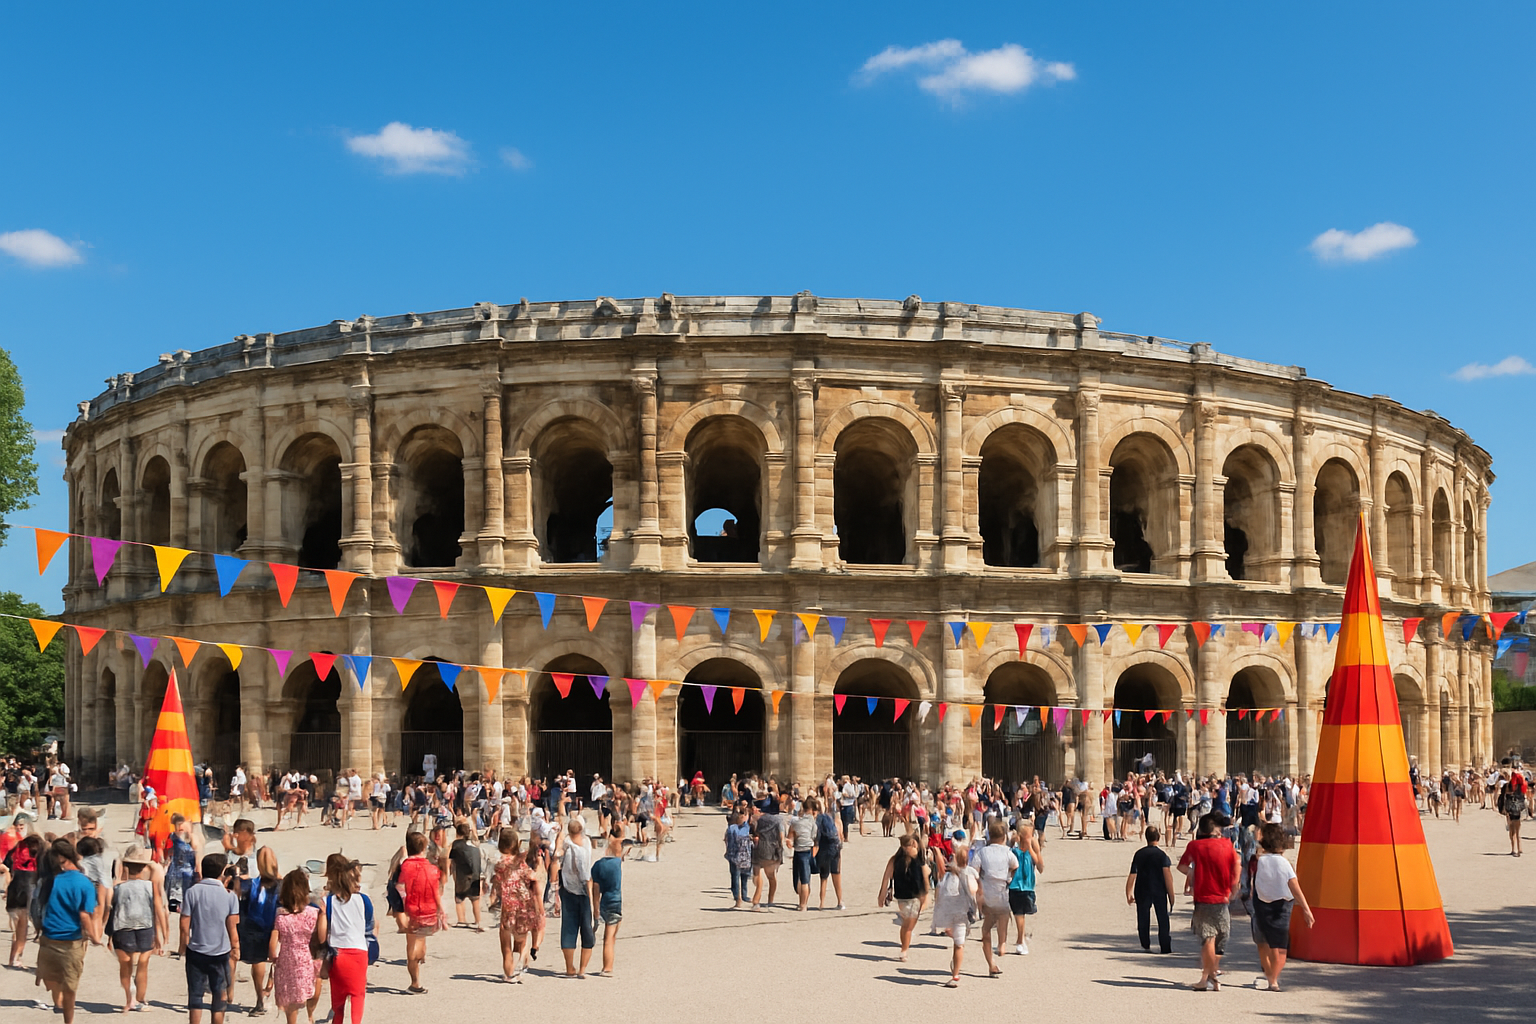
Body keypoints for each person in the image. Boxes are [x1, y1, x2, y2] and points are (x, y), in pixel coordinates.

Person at [36, 839, 104, 1023]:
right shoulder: (85, 883)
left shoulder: (49, 881)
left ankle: (57, 1003)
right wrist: (95, 937)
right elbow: (84, 915)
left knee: (52, 981)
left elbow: (36, 908)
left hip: (48, 938)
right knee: (70, 989)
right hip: (71, 941)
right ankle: (68, 1020)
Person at [1178, 813, 1240, 991]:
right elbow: (1236, 865)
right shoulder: (1227, 845)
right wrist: (1234, 887)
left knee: (1208, 938)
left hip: (1203, 897)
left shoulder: (1195, 846)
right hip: (1222, 897)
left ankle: (1209, 976)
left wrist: (1192, 874)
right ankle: (1210, 976)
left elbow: (1182, 866)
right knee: (1220, 938)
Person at [1249, 823, 1313, 991]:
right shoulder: (1284, 863)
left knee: (1263, 944)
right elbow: (1294, 886)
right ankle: (1273, 979)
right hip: (1282, 907)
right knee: (1281, 948)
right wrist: (1306, 909)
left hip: (1260, 905)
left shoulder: (1259, 860)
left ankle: (1269, 975)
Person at [179, 853, 241, 1024]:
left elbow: (184, 923)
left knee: (195, 995)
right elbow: (232, 927)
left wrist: (183, 944)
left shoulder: (192, 892)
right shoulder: (230, 896)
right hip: (221, 951)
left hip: (196, 949)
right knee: (219, 995)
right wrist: (236, 948)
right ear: (222, 872)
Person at [111, 845, 168, 1012]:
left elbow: (110, 910)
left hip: (121, 927)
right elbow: (158, 909)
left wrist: (106, 935)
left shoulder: (117, 887)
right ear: (144, 867)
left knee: (125, 964)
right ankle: (141, 999)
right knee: (143, 963)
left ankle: (129, 999)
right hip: (145, 926)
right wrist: (163, 932)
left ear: (126, 867)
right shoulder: (150, 886)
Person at [268, 868, 325, 1024]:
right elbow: (321, 937)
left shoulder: (281, 914)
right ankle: (310, 1014)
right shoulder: (314, 913)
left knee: (291, 1001)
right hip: (306, 957)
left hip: (287, 960)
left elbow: (273, 945)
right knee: (312, 987)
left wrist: (273, 956)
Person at [323, 854, 373, 1024]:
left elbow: (324, 929)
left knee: (338, 1001)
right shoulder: (364, 900)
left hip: (337, 952)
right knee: (358, 995)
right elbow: (369, 925)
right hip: (359, 952)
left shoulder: (327, 901)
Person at [396, 830, 444, 994]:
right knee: (421, 942)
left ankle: (415, 982)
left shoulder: (405, 866)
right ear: (424, 848)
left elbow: (399, 887)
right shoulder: (432, 869)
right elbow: (436, 891)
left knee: (412, 946)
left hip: (412, 910)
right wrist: (441, 910)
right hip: (429, 910)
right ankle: (419, 957)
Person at [971, 818, 1019, 976]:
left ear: (989, 836)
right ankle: (1002, 943)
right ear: (1005, 837)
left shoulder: (982, 852)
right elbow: (1015, 865)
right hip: (1001, 890)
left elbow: (974, 870)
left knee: (986, 929)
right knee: (1004, 916)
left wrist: (978, 885)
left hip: (986, 892)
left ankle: (991, 963)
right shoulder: (1007, 852)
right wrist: (1009, 877)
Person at [238, 847, 282, 1017]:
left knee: (258, 962)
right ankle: (270, 984)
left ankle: (259, 998)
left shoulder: (253, 884)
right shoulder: (283, 884)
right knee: (277, 959)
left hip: (256, 927)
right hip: (277, 926)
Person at [491, 830, 538, 981]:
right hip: (523, 904)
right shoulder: (520, 863)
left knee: (505, 941)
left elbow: (496, 884)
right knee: (521, 938)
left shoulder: (498, 864)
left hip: (507, 905)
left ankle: (508, 972)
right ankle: (517, 970)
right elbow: (532, 877)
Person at [931, 845, 979, 987]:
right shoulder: (970, 874)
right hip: (963, 914)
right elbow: (975, 891)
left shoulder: (947, 876)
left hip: (952, 912)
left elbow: (938, 893)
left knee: (957, 941)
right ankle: (955, 974)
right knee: (959, 945)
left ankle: (955, 972)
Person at [876, 833, 929, 961]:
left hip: (910, 896)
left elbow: (925, 877)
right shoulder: (906, 860)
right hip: (910, 896)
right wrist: (881, 895)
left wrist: (881, 895)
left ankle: (904, 948)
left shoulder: (912, 860)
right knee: (908, 926)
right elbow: (886, 878)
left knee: (907, 925)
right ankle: (904, 950)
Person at [556, 815, 596, 977]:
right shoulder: (585, 845)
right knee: (586, 928)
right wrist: (592, 899)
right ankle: (582, 969)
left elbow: (557, 850)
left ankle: (569, 967)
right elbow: (586, 874)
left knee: (568, 928)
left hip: (567, 889)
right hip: (583, 890)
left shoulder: (566, 844)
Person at [1126, 826, 1175, 954]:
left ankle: (1145, 943)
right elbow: (1167, 876)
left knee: (1143, 917)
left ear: (1146, 838)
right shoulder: (1162, 855)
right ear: (1158, 838)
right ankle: (1165, 946)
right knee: (1162, 918)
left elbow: (1132, 874)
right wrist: (1171, 896)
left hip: (1142, 889)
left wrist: (1128, 893)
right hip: (1158, 890)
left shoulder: (1139, 854)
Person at [590, 823, 624, 977]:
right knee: (610, 936)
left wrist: (595, 910)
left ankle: (608, 965)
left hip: (604, 901)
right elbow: (623, 842)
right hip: (616, 899)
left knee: (612, 934)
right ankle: (607, 967)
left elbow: (595, 891)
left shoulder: (597, 866)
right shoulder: (617, 862)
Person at [5, 830, 42, 967]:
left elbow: (8, 863)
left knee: (17, 927)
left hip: (15, 888)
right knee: (23, 927)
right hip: (28, 888)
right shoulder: (39, 853)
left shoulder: (18, 848)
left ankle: (13, 958)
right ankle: (17, 958)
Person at [1008, 821, 1043, 955]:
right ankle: (1020, 940)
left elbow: (1040, 868)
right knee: (1018, 913)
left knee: (1021, 913)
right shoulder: (1013, 848)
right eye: (1028, 835)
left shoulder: (1033, 849)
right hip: (1014, 885)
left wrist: (1031, 849)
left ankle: (1021, 939)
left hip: (1028, 886)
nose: (1030, 837)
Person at [448, 822, 485, 931]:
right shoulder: (475, 844)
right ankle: (478, 920)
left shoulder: (456, 844)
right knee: (475, 900)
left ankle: (462, 920)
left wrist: (450, 872)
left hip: (463, 874)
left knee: (459, 898)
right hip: (476, 874)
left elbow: (452, 860)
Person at [750, 799, 785, 910]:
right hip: (772, 848)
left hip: (760, 847)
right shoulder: (778, 820)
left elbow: (754, 832)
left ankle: (756, 900)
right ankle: (770, 900)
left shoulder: (758, 819)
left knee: (758, 874)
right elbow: (781, 836)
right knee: (771, 877)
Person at [789, 798, 817, 912]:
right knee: (805, 879)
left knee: (800, 879)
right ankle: (803, 903)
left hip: (798, 851)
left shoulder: (795, 822)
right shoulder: (813, 822)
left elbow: (791, 836)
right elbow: (814, 836)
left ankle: (802, 903)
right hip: (808, 850)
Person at [1504, 766, 1527, 857]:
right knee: (1518, 830)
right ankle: (1519, 848)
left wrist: (1505, 811)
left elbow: (1506, 798)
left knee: (1511, 830)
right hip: (1519, 808)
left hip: (1511, 809)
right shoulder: (1520, 786)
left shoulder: (1508, 785)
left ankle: (1513, 849)